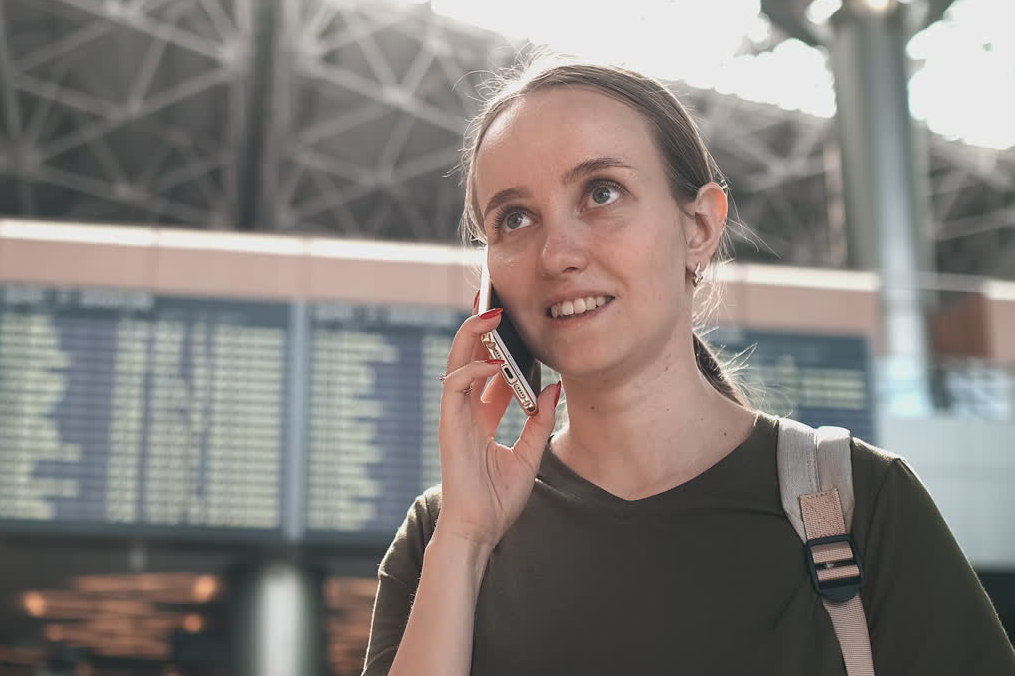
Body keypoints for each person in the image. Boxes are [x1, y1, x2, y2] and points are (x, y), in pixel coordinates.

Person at [360, 58, 1015, 675]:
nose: (557, 253)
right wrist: (467, 542)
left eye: (602, 193)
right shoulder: (440, 540)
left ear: (699, 227)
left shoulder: (858, 502)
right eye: (515, 217)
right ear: (488, 281)